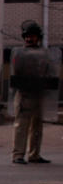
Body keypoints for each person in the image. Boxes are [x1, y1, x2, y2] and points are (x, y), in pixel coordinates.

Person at [11, 21, 55, 164]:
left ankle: (34, 154)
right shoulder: (19, 53)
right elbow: (15, 74)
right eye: (27, 36)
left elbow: (50, 72)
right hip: (24, 94)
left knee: (37, 125)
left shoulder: (45, 54)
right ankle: (18, 155)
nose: (29, 39)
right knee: (21, 125)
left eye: (32, 36)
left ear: (38, 38)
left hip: (38, 93)